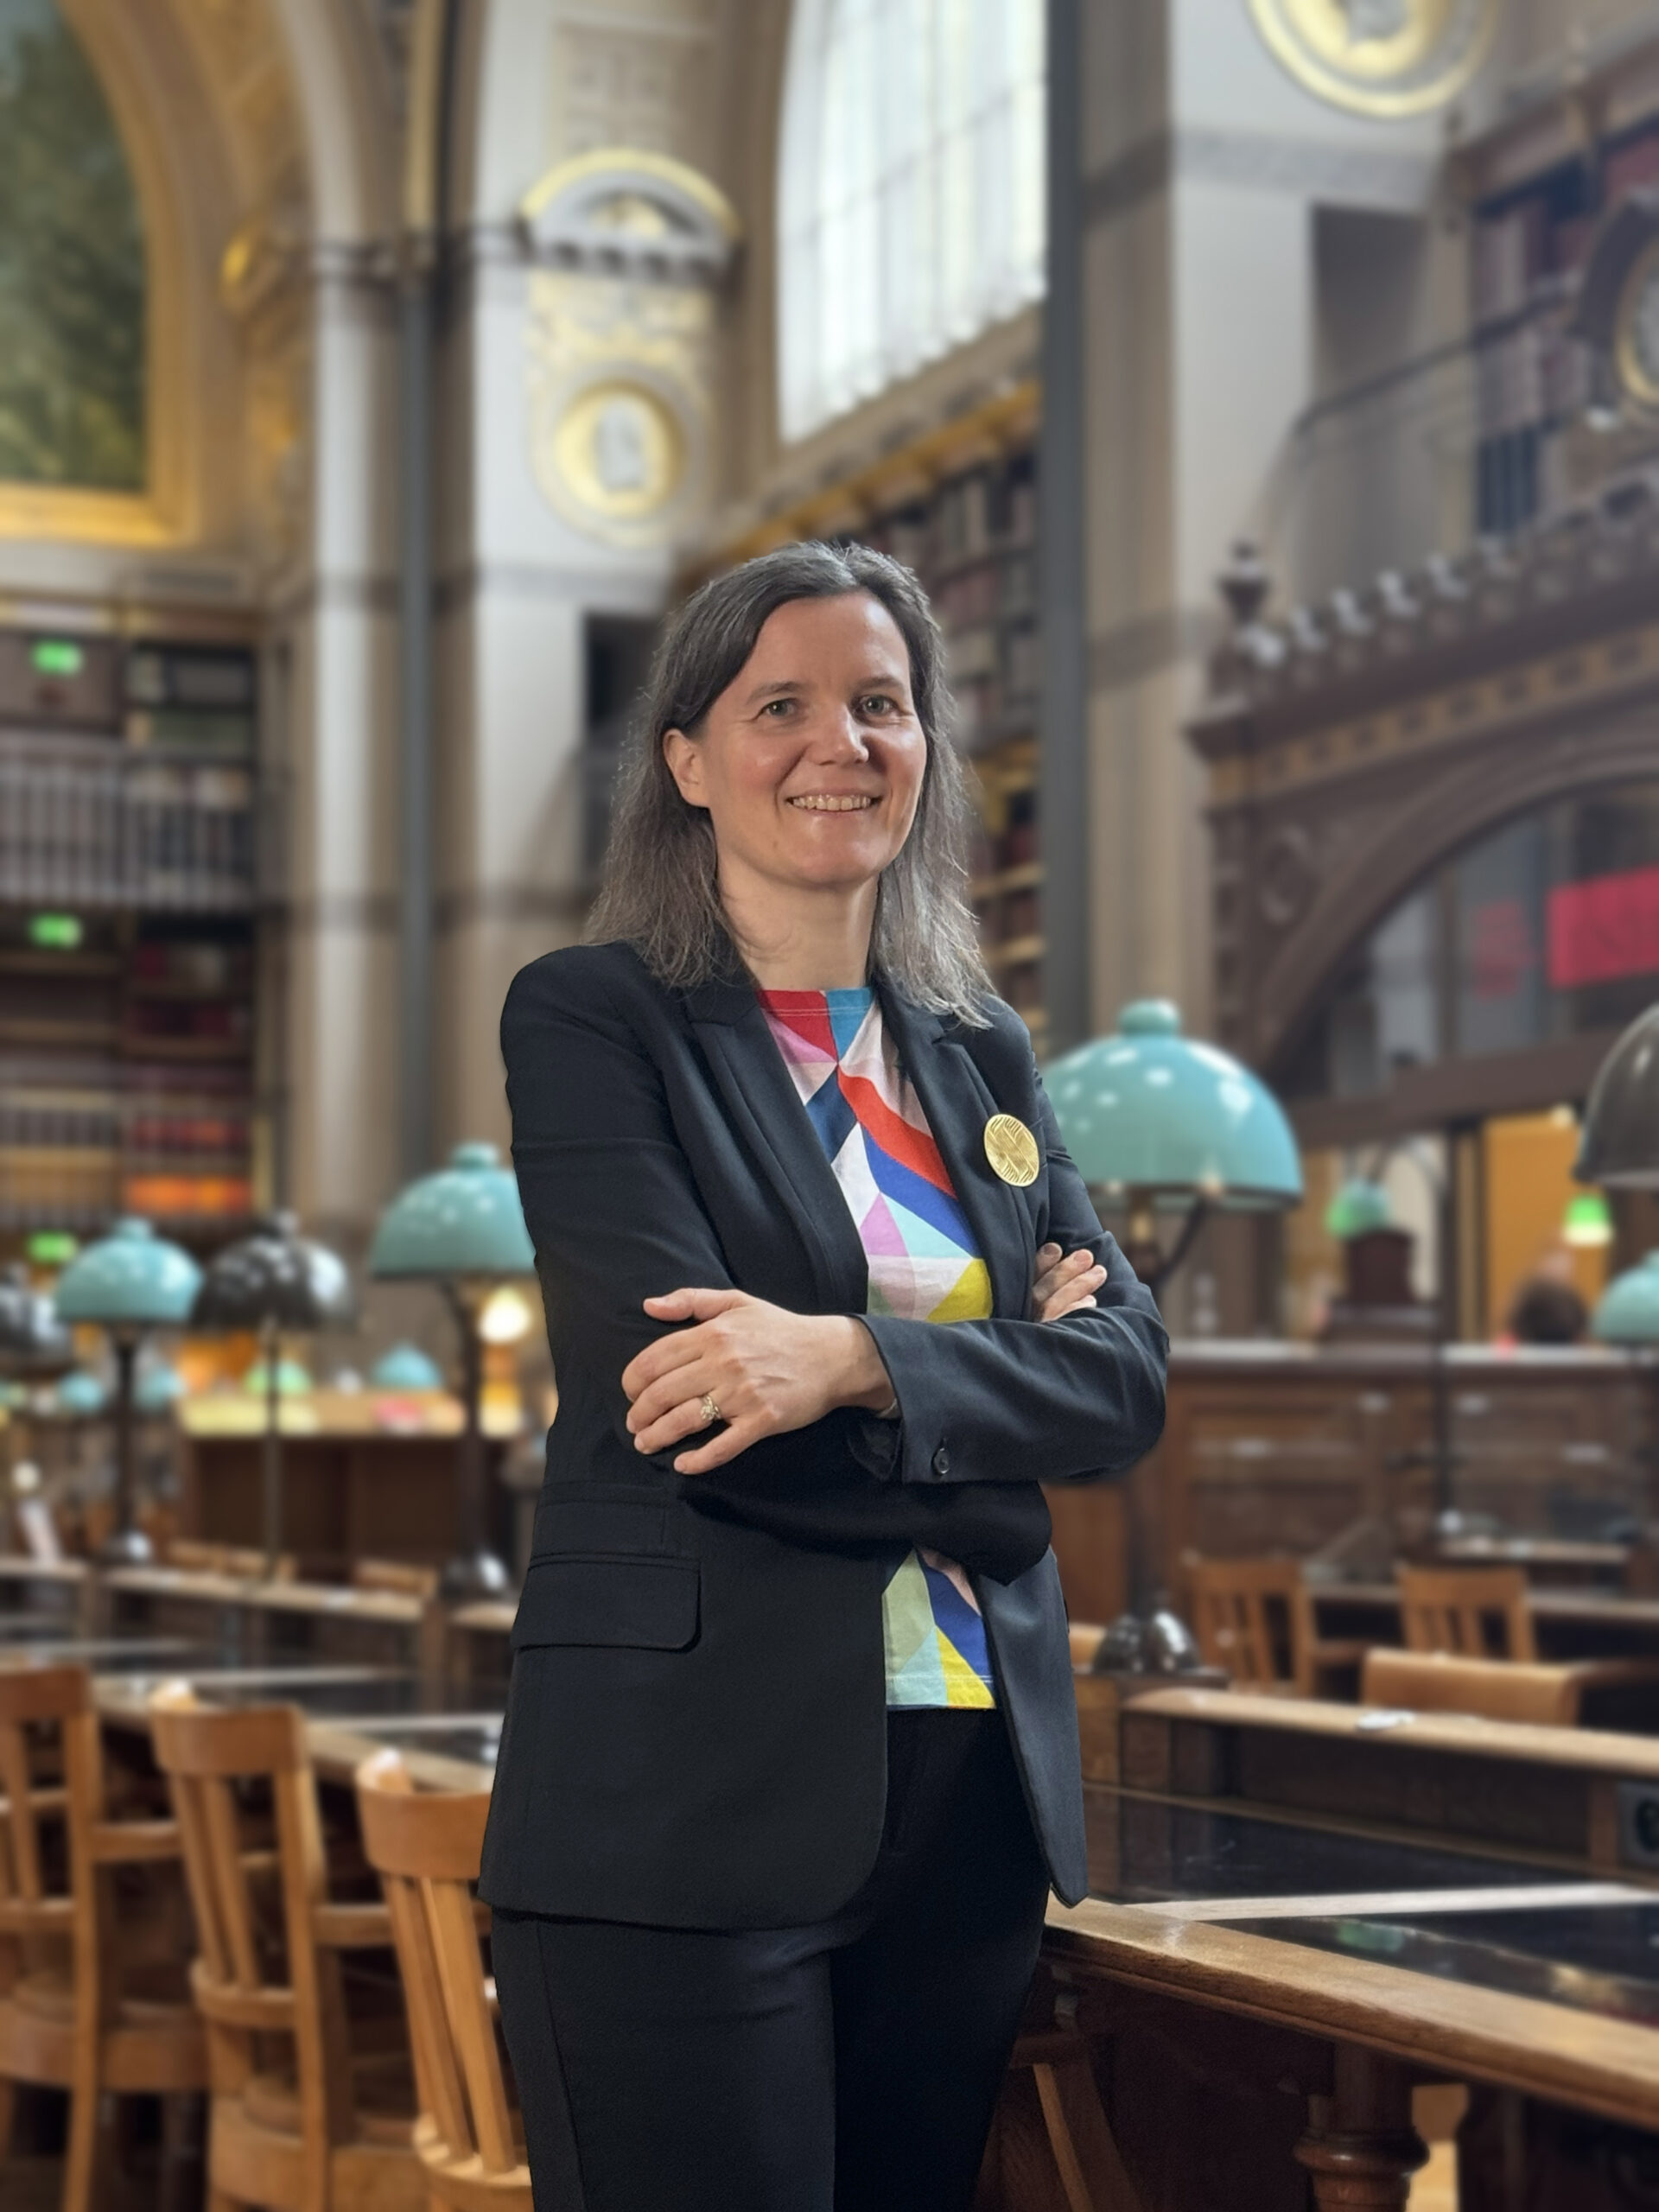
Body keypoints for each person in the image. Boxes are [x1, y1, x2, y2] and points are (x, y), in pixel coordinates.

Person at [482, 541, 1167, 2212]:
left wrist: (851, 1358)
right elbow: (697, 1411)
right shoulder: (594, 1021)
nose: (837, 743)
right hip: (684, 1795)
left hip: (967, 1795)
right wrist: (996, 1441)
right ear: (689, 763)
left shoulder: (977, 1049)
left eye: (881, 704)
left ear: (928, 752)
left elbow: (1129, 1380)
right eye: (779, 706)